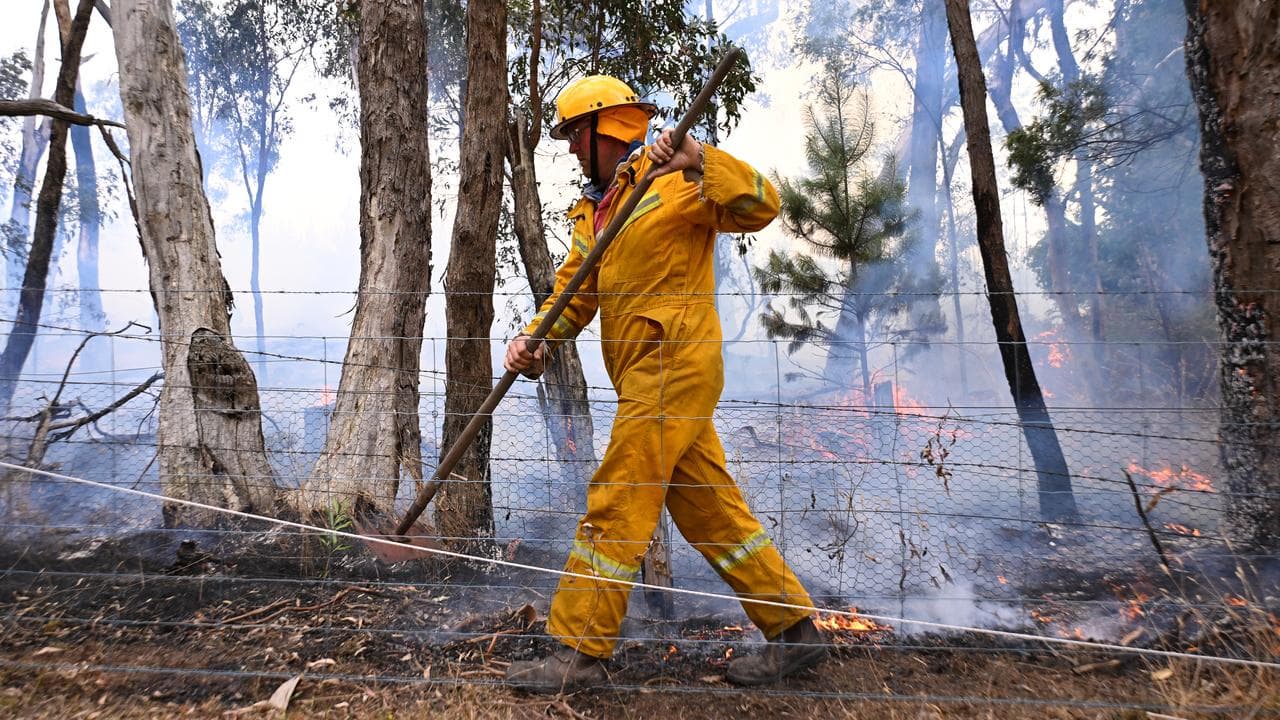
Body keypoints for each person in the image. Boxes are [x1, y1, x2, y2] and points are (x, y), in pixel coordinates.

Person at [503, 75, 825, 693]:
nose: (571, 148)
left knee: (616, 501)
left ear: (609, 126)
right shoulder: (596, 212)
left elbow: (764, 205)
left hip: (671, 361)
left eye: (575, 135)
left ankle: (578, 651)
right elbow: (576, 291)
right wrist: (535, 337)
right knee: (710, 510)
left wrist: (700, 159)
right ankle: (795, 633)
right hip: (643, 376)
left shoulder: (676, 182)